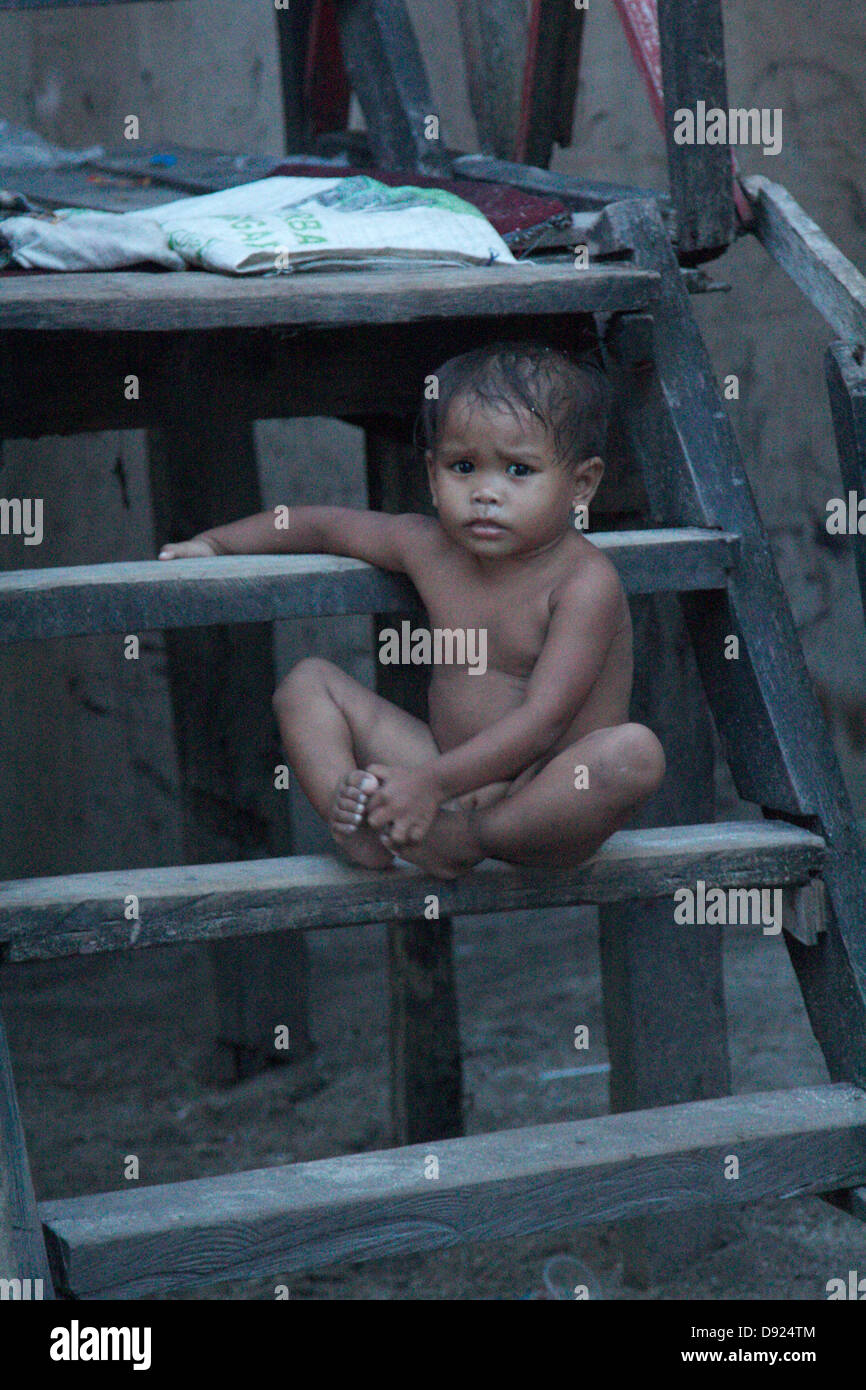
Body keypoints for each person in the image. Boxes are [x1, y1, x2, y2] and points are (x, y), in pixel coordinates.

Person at [159, 341, 665, 879]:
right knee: (307, 684)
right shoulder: (429, 547)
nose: (485, 493)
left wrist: (433, 786)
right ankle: (354, 817)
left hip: (540, 801)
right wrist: (215, 545)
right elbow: (322, 526)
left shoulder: (584, 583)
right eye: (463, 466)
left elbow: (543, 723)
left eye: (519, 470)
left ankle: (464, 840)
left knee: (633, 755)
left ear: (581, 485)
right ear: (431, 474)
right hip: (436, 775)